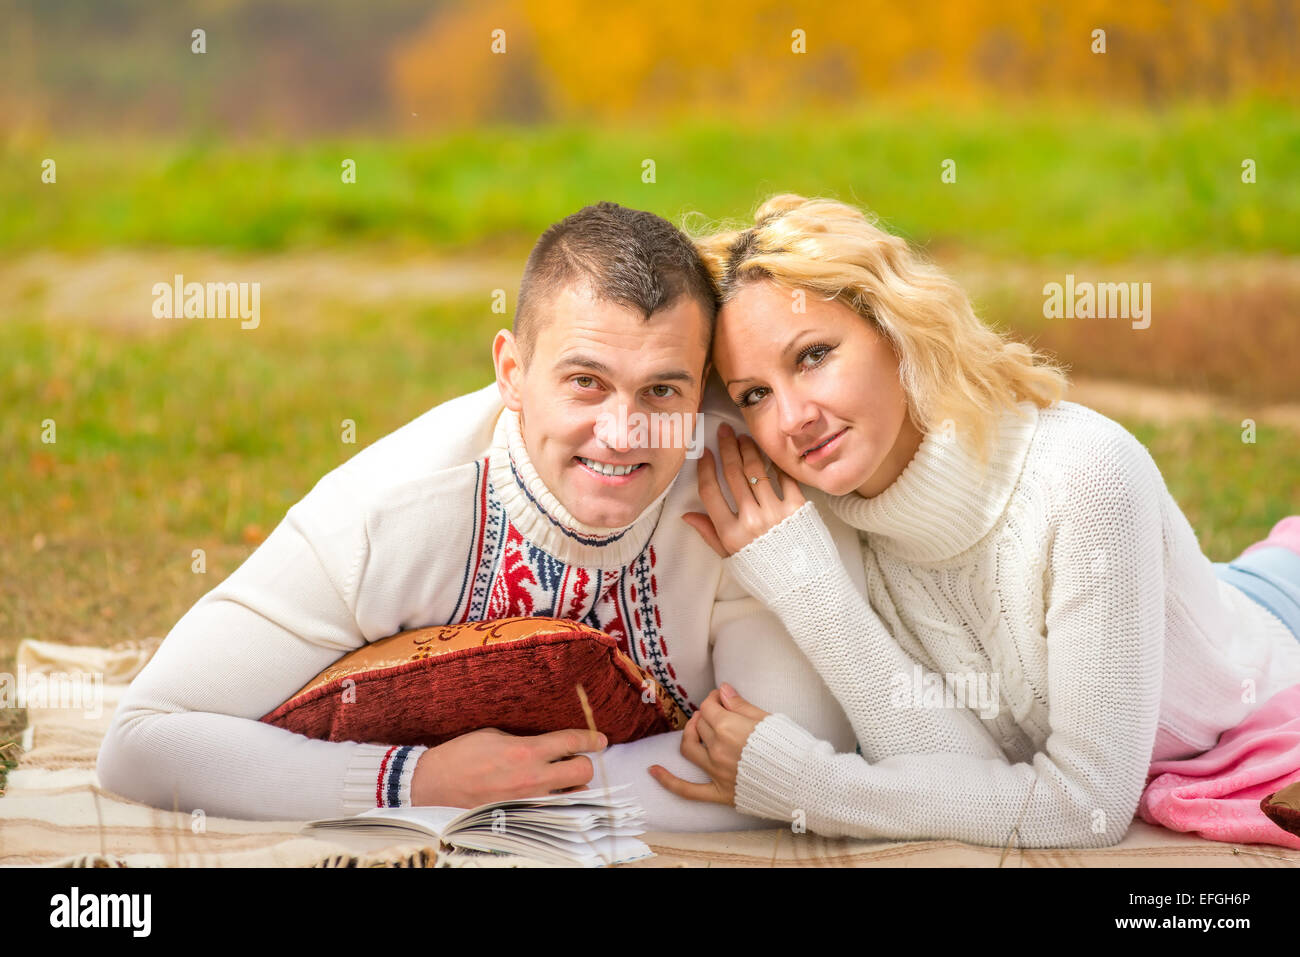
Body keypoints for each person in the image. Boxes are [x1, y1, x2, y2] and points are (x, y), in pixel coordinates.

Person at [95, 201, 856, 828]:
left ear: (702, 389)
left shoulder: (736, 486)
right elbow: (141, 742)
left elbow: (776, 765)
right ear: (511, 373)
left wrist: (524, 791)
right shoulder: (383, 515)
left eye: (663, 390)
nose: (623, 435)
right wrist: (411, 779)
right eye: (586, 381)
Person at [651, 193, 1300, 848]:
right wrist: (809, 587)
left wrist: (810, 785)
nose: (792, 418)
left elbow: (1087, 806)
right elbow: (964, 775)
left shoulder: (1087, 478)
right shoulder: (819, 521)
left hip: (1279, 616)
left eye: (813, 355)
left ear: (895, 328)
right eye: (754, 395)